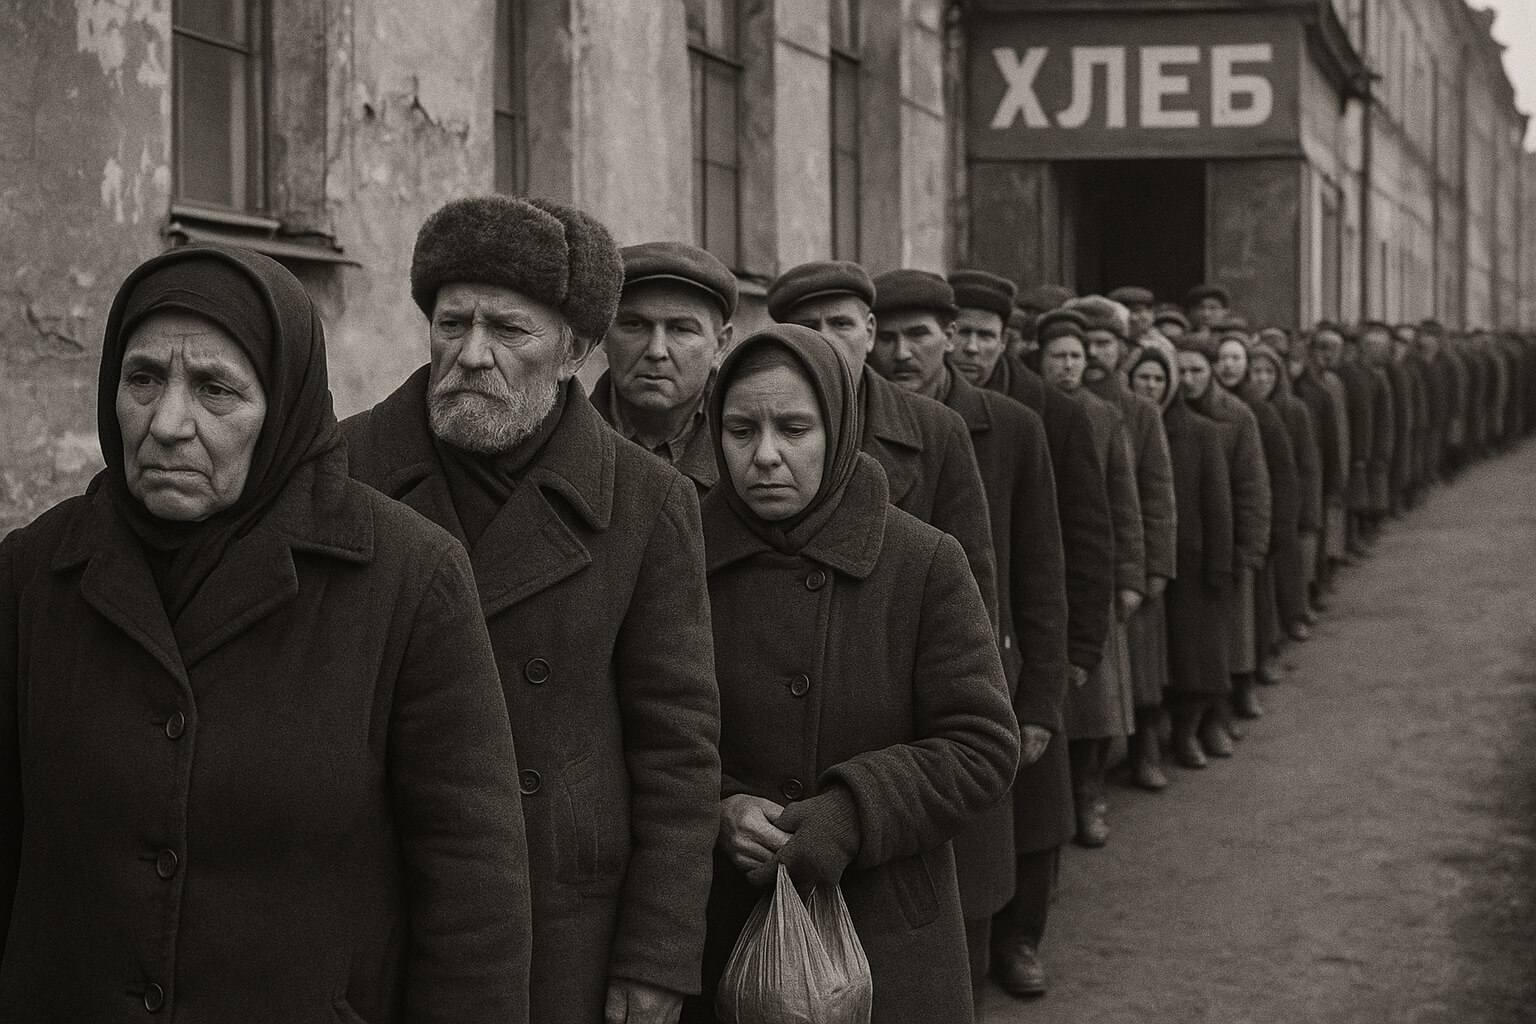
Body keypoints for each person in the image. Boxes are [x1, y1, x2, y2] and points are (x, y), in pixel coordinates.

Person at [0, 245, 533, 1022]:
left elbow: (473, 896)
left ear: (282, 406)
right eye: (142, 379)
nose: (168, 423)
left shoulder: (407, 581)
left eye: (216, 389)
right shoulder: (33, 574)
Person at [343, 195, 722, 1024]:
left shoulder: (646, 501)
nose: (471, 355)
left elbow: (678, 751)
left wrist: (656, 953)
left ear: (577, 350)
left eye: (509, 331)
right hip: (371, 898)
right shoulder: (345, 470)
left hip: (560, 916)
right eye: (452, 324)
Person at [692, 325, 1020, 1024]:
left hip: (887, 932)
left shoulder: (922, 562)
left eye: (795, 428)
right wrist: (720, 807)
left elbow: (984, 745)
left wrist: (852, 813)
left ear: (838, 430)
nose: (766, 455)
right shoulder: (681, 554)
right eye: (741, 429)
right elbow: (645, 734)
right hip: (722, 925)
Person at [871, 269, 1070, 1004]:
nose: (900, 352)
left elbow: (1041, 572)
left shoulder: (1010, 426)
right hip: (888, 690)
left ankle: (1009, 951)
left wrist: (1043, 699)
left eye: (918, 335)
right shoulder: (838, 427)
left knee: (981, 870)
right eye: (886, 337)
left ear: (949, 339)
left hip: (987, 675)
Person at [767, 261, 999, 634]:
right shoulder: (750, 420)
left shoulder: (937, 429)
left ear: (870, 332)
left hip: (898, 649)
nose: (826, 339)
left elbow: (972, 577)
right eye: (808, 327)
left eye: (842, 324)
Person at [1035, 309, 1144, 848]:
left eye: (1077, 356)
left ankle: (1090, 796)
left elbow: (1123, 503)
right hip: (1042, 567)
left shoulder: (1104, 416)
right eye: (1058, 357)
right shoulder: (1028, 410)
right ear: (1041, 360)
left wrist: (1129, 576)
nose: (1069, 366)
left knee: (1096, 705)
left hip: (1091, 569)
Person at [1067, 296, 1178, 792]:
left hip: (1123, 563)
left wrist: (1147, 569)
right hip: (1079, 564)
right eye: (1084, 343)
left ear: (1123, 349)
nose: (1093, 354)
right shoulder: (1056, 404)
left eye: (1104, 343)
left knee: (1139, 676)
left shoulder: (1139, 412)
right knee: (1092, 686)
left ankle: (1142, 754)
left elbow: (1153, 496)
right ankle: (1086, 784)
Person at [1128, 342, 1234, 770]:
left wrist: (1220, 565)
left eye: (1159, 379)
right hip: (1146, 561)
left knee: (1193, 660)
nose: (1152, 386)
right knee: (1150, 665)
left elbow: (1218, 506)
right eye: (1143, 378)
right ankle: (1146, 745)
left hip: (1191, 564)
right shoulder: (1123, 423)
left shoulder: (1201, 431)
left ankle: (1189, 731)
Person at [1173, 330, 1270, 755]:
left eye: (1197, 370)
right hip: (1188, 543)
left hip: (1227, 545)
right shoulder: (1165, 415)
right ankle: (1189, 726)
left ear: (1212, 371)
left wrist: (1248, 548)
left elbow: (1252, 486)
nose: (1189, 379)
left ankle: (1217, 718)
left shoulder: (1236, 416)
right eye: (1182, 371)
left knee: (1227, 640)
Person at [592, 241, 736, 495]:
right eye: (634, 325)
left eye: (681, 329)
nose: (656, 351)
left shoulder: (751, 452)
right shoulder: (557, 442)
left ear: (721, 345)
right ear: (603, 333)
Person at [1214, 327, 1297, 697]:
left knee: (1254, 605)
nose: (1229, 366)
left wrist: (1274, 529)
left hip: (1252, 521)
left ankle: (1256, 667)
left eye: (1236, 358)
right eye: (1223, 358)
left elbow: (1282, 475)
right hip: (1220, 523)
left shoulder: (1258, 412)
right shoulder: (1206, 404)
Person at [1246, 341, 1318, 644]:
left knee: (1288, 563)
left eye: (1268, 372)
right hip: (1256, 497)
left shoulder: (1293, 409)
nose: (1261, 378)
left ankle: (1295, 615)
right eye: (1255, 371)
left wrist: (1303, 506)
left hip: (1286, 496)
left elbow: (1306, 462)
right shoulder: (1245, 410)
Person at [1291, 326, 1351, 605]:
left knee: (1316, 530)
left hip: (1317, 469)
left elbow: (1332, 434)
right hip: (1295, 470)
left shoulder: (1322, 388)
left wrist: (1336, 473)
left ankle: (1314, 587)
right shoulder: (1294, 390)